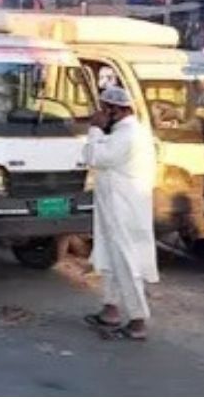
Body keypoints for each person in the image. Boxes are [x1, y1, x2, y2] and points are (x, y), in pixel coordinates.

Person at [82, 86, 159, 341]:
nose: (100, 114)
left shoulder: (127, 135)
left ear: (116, 110)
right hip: (117, 205)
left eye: (104, 109)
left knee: (126, 262)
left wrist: (94, 129)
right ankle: (110, 309)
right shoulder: (125, 132)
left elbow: (94, 157)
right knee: (110, 257)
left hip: (122, 208)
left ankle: (138, 320)